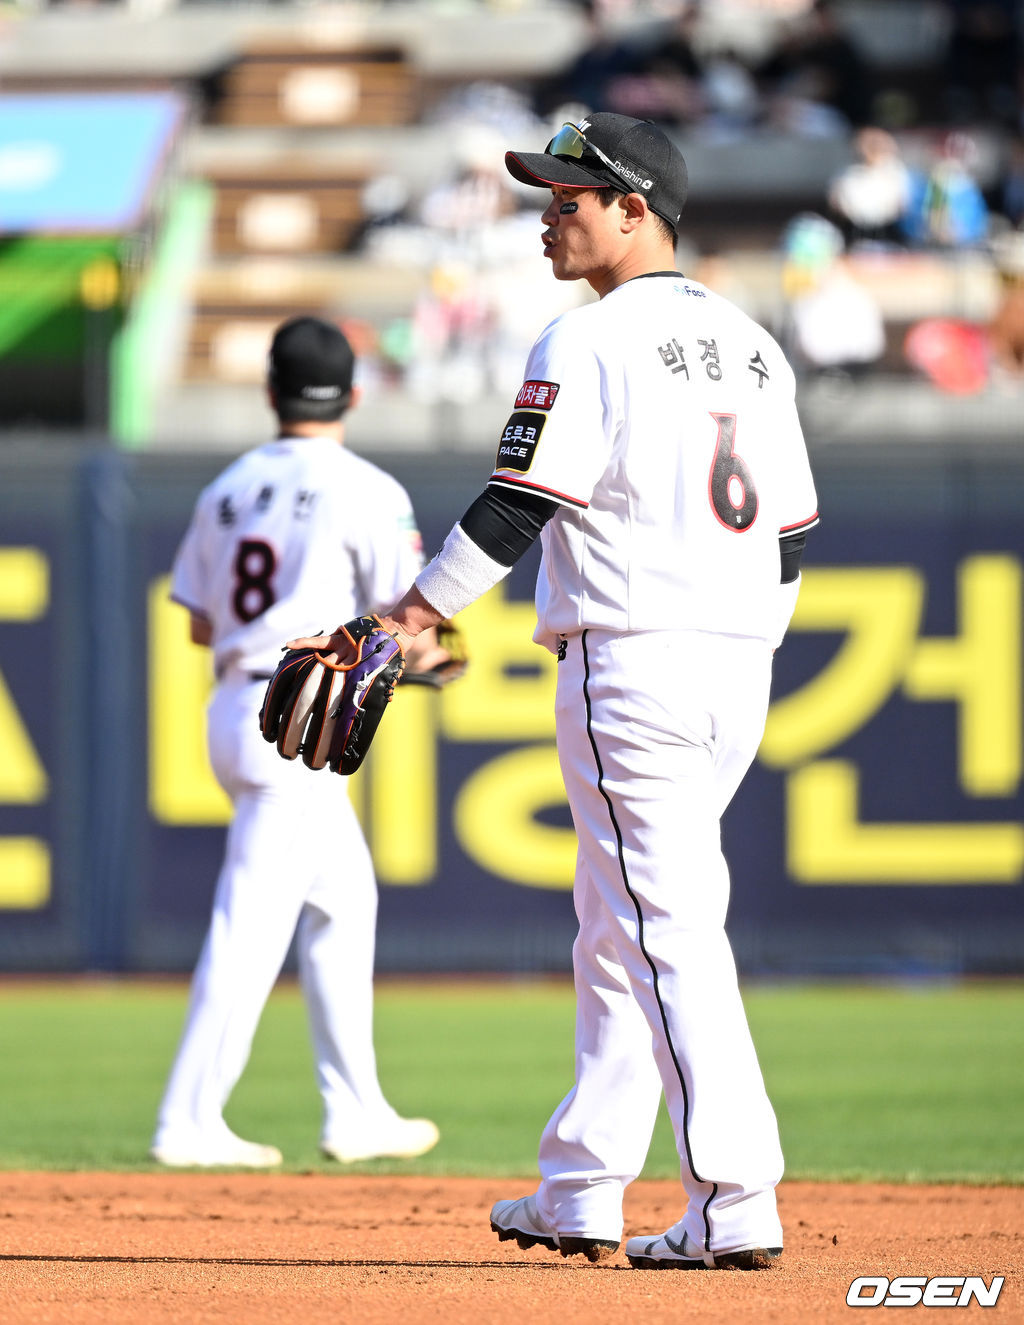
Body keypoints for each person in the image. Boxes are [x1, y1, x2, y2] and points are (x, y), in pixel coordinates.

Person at [289, 113, 818, 1267]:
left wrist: (406, 613)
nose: (545, 214)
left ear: (637, 210)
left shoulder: (584, 340)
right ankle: (581, 1182)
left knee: (662, 927)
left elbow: (519, 503)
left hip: (634, 657)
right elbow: (788, 542)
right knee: (616, 925)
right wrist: (745, 642)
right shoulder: (756, 345)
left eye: (569, 197)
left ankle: (735, 1200)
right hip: (735, 658)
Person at [150, 316, 441, 1168]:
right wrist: (427, 656)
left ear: (270, 392)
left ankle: (355, 1109)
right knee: (251, 923)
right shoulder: (367, 486)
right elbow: (402, 622)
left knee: (344, 901)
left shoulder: (229, 487)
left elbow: (204, 624)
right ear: (353, 394)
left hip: (241, 706)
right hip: (301, 732)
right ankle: (187, 1117)